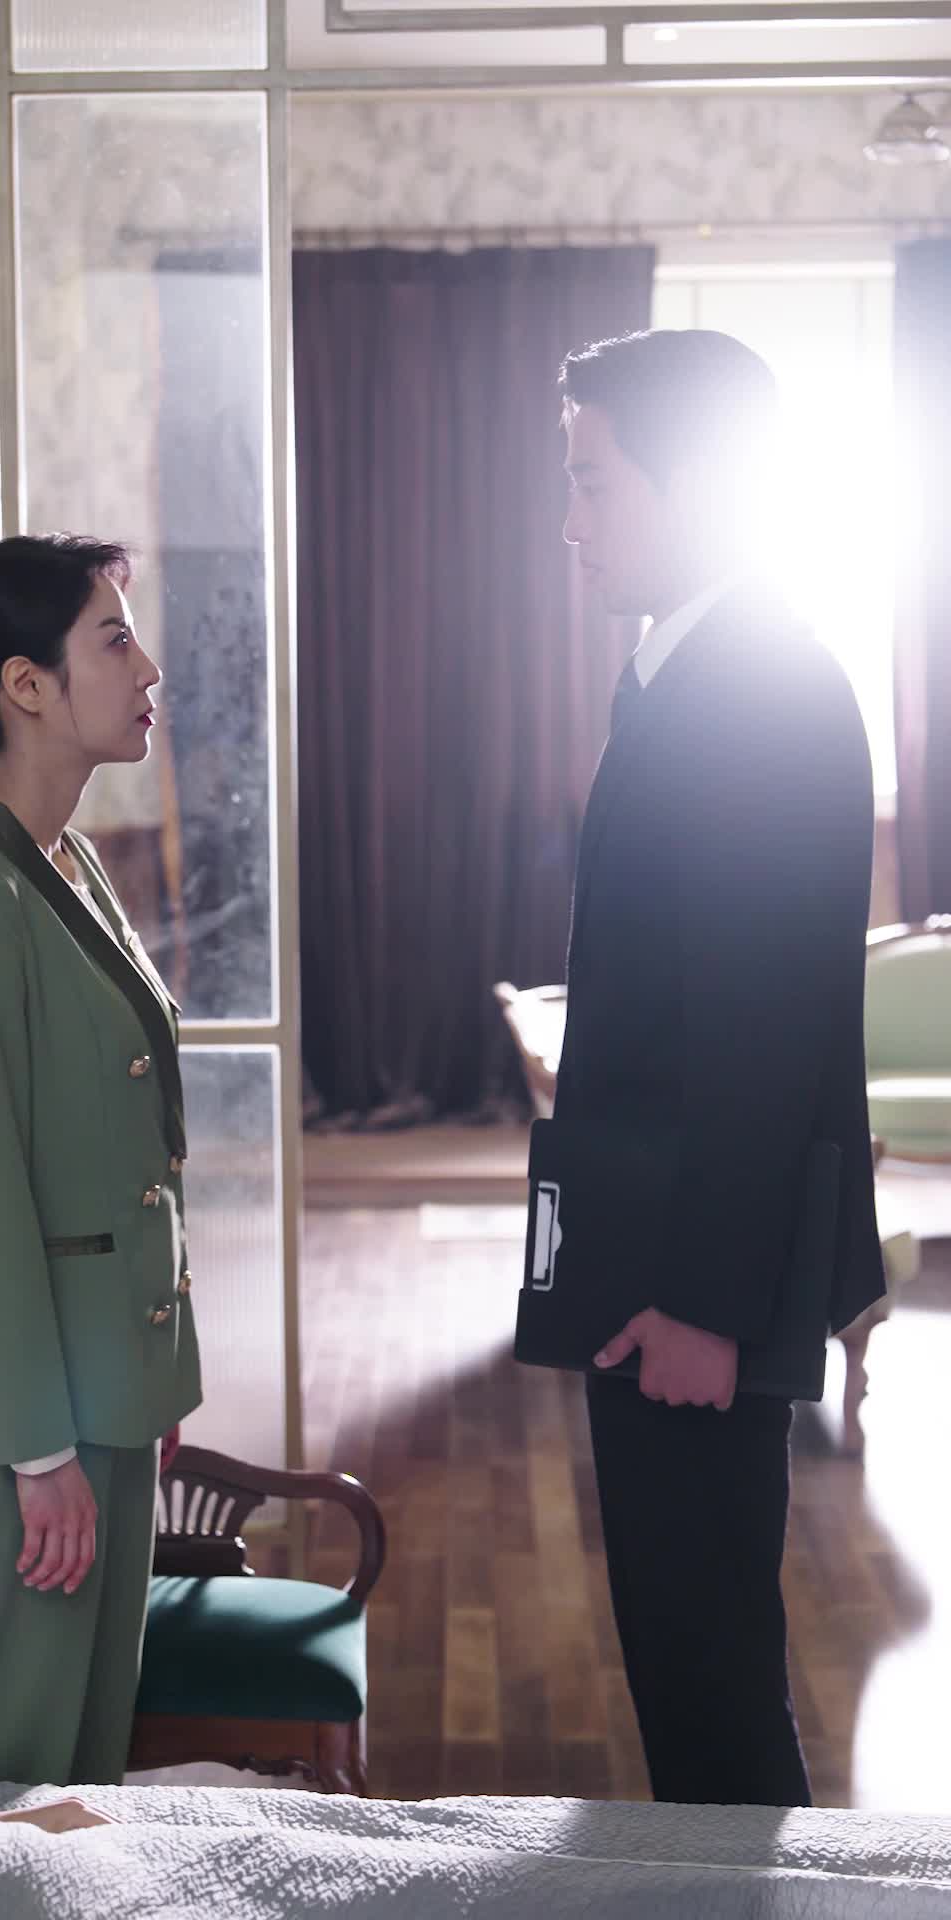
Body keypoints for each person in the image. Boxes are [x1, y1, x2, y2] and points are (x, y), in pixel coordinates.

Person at [519, 330, 884, 1807]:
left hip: (694, 1285)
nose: (572, 520)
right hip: (655, 1254)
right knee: (684, 1663)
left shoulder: (758, 689)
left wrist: (707, 1306)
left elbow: (765, 1029)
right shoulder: (684, 674)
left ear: (697, 484)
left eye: (594, 483)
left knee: (712, 1683)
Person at [0, 534, 202, 1787]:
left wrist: (142, 1392)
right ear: (26, 685)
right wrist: (41, 1453)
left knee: (80, 1773)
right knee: (8, 1780)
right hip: (24, 1423)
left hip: (96, 1397)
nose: (148, 667)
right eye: (114, 640)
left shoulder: (63, 862)